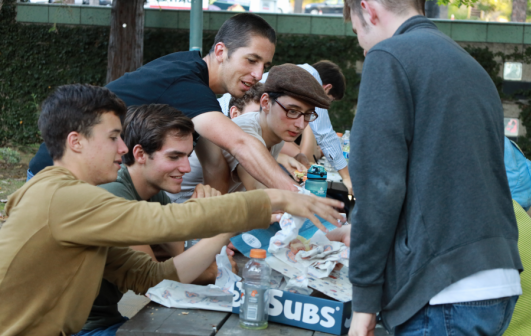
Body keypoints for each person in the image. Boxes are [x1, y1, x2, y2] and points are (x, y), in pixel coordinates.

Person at [0, 84, 344, 335]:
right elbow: (168, 222)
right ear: (76, 142)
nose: (122, 147)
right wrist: (278, 199)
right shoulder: (64, 198)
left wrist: (223, 227)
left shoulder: (74, 199)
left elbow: (150, 277)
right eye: (112, 137)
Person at [344, 1, 523, 335]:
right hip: (497, 281)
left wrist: (364, 303)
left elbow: (380, 184)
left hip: (442, 295)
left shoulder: (389, 56)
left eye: (358, 35)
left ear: (367, 9)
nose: (365, 49)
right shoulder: (468, 64)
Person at [27, 13, 298, 193]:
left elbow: (215, 168)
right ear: (220, 51)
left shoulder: (197, 87)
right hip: (57, 177)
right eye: (251, 60)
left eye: (265, 65)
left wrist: (217, 232)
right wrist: (298, 199)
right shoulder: (187, 83)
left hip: (96, 185)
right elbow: (240, 143)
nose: (259, 74)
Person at [76, 104, 235, 336]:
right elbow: (157, 282)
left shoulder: (152, 193)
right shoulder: (114, 195)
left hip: (106, 319)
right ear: (140, 154)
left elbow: (183, 254)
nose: (186, 167)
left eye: (188, 156)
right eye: (174, 156)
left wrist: (205, 219)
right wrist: (217, 245)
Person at [218, 60, 354, 194]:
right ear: (265, 103)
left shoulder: (276, 134)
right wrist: (346, 178)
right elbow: (259, 190)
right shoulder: (245, 130)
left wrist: (283, 158)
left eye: (308, 114)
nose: (300, 125)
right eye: (292, 111)